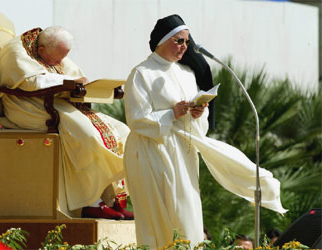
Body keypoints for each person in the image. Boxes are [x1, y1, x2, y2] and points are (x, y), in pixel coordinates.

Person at [123, 14, 287, 248]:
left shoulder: (187, 73)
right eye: (179, 41)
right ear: (162, 40)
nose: (184, 47)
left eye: (187, 42)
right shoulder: (142, 73)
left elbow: (199, 125)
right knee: (157, 218)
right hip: (151, 152)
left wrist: (198, 114)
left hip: (182, 152)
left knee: (187, 213)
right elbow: (136, 120)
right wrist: (172, 114)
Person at [0, 26, 133, 220]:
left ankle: (112, 200)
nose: (60, 62)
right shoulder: (16, 52)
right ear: (42, 50)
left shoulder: (51, 45)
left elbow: (74, 74)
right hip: (27, 106)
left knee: (122, 131)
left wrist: (84, 83)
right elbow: (33, 83)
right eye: (58, 58)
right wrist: (70, 80)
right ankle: (91, 202)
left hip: (56, 101)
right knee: (87, 135)